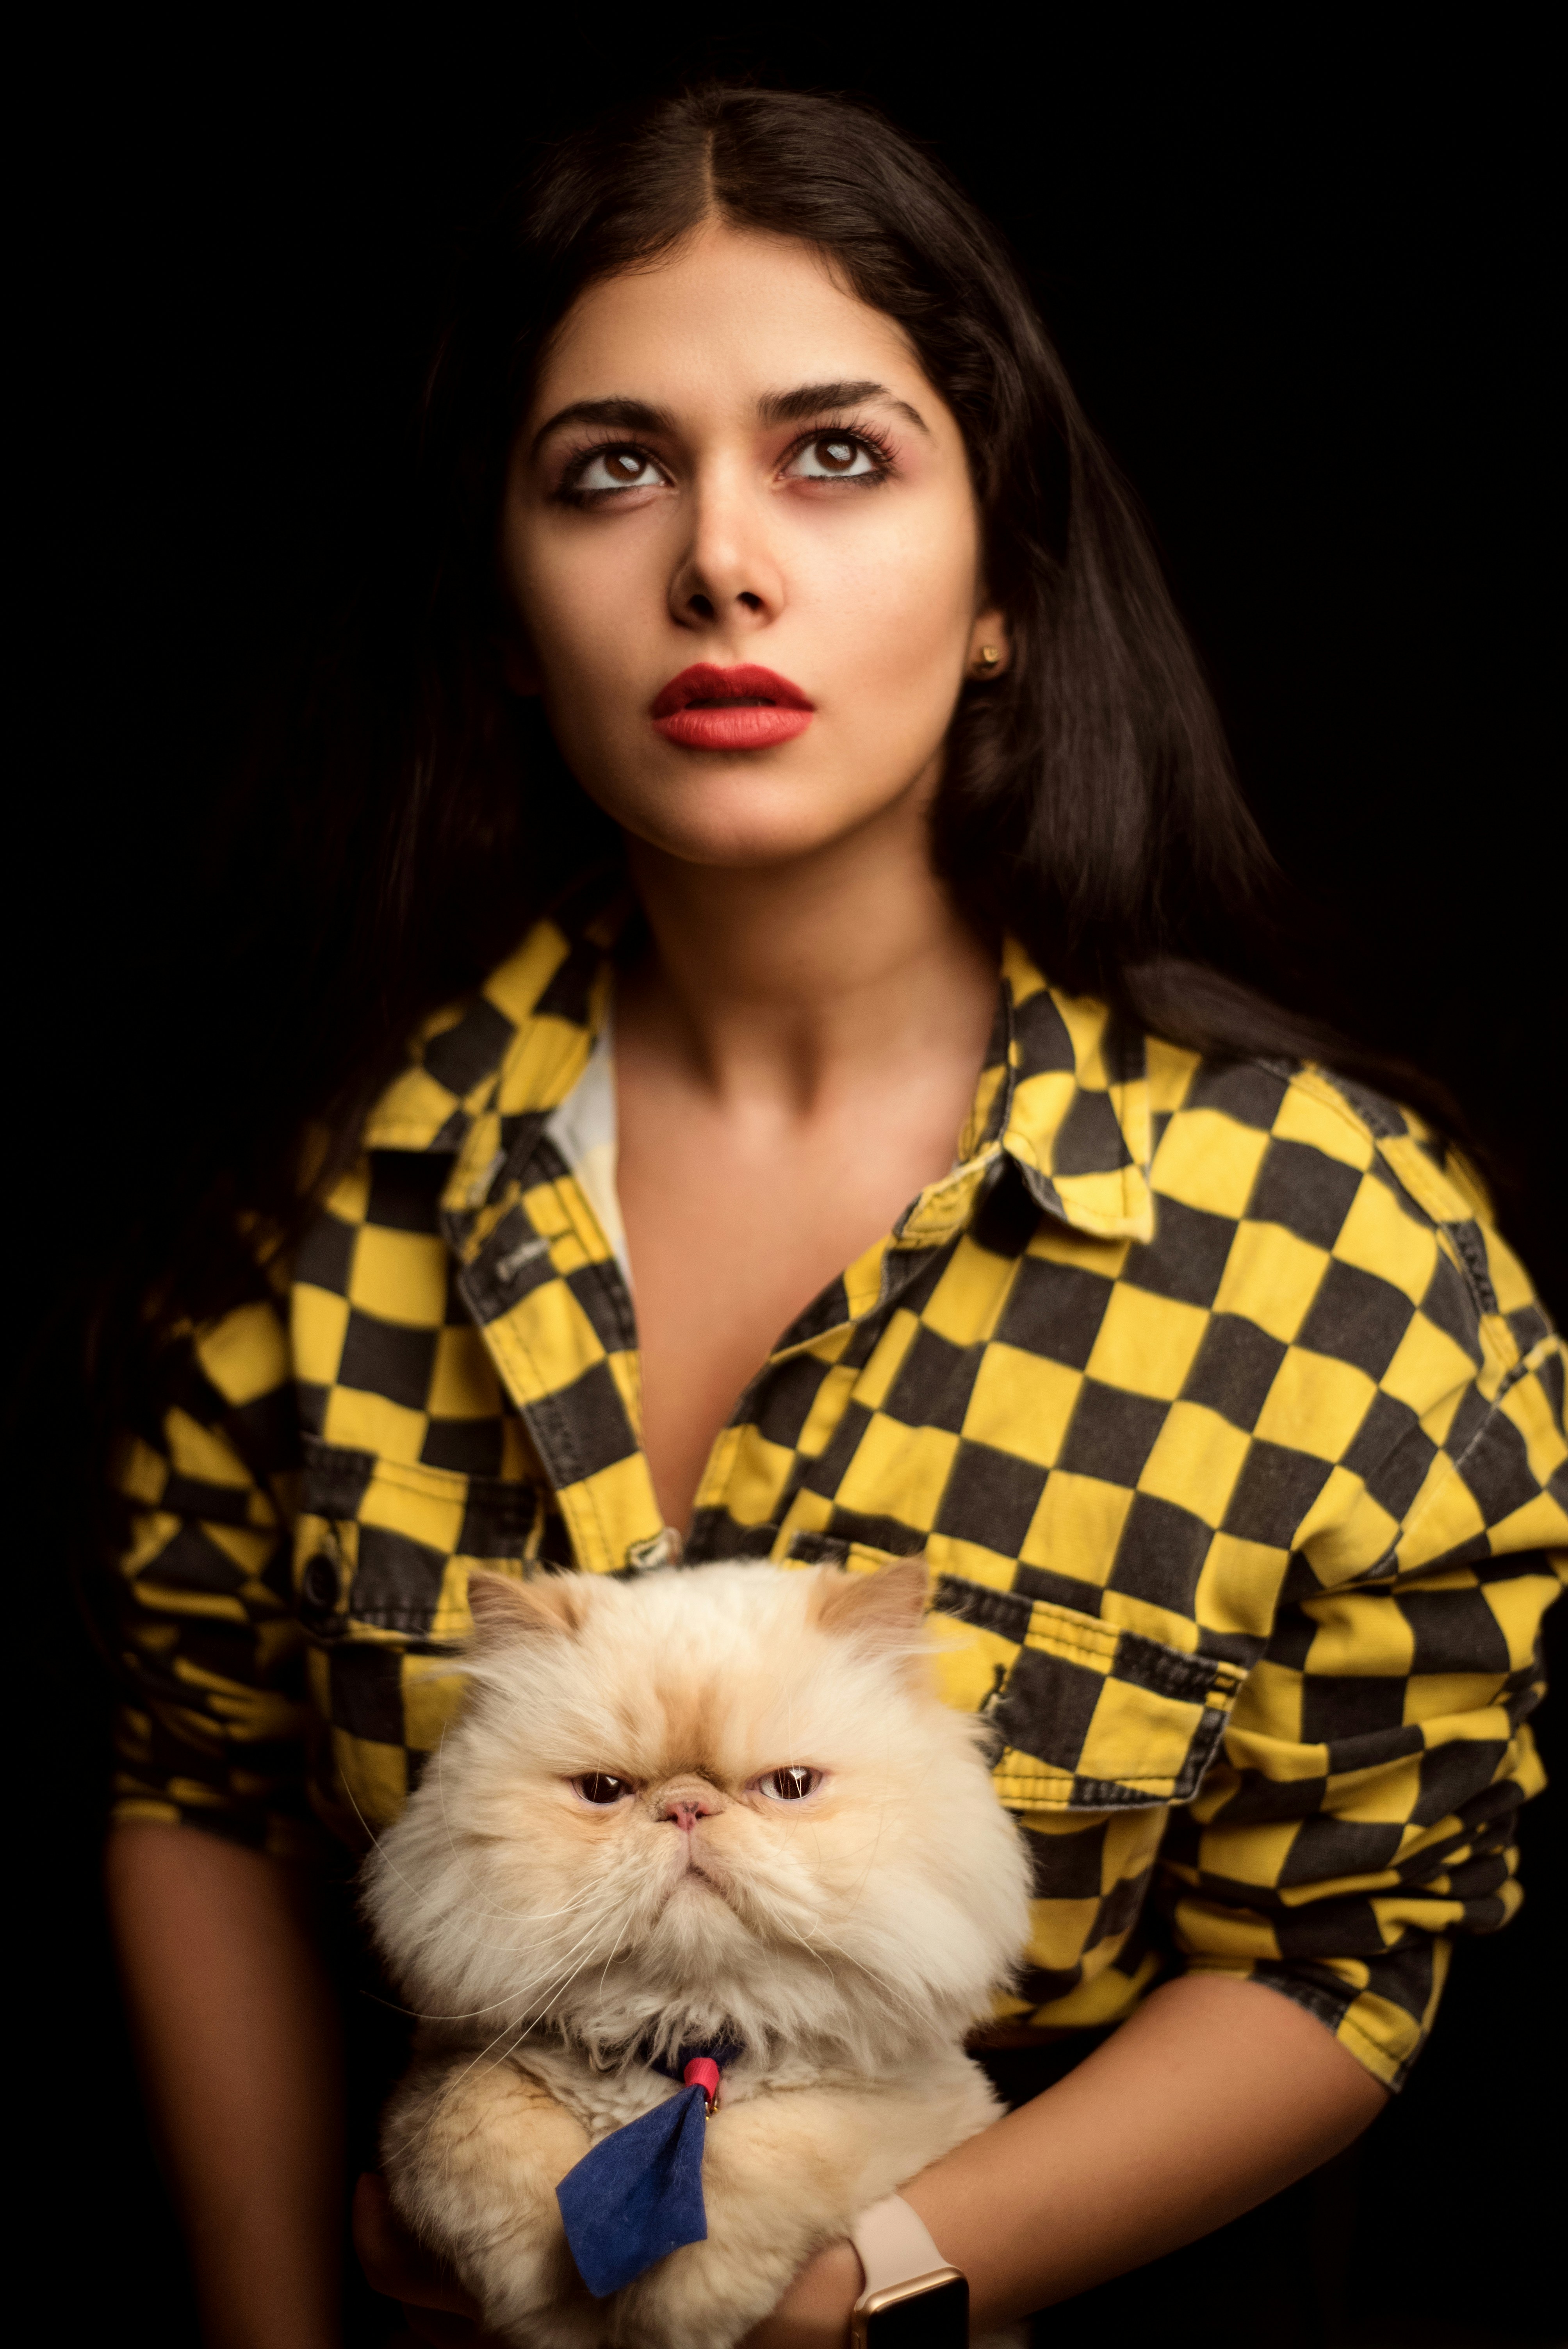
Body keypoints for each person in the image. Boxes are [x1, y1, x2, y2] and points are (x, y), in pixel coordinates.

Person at [99, 84, 1567, 2349]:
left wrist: (875, 2282)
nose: (718, 562)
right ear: (504, 607)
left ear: (1004, 585)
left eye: (836, 454)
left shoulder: (1336, 1258)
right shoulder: (320, 1201)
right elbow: (195, 1784)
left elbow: (1344, 1952)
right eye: (611, 468)